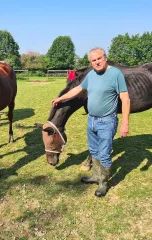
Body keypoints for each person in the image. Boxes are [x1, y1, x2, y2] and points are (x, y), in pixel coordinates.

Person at [52, 47, 130, 197]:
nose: (96, 62)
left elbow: (125, 99)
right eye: (93, 60)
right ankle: (95, 175)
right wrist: (61, 98)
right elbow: (78, 89)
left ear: (105, 58)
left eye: (99, 58)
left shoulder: (115, 74)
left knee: (105, 153)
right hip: (92, 120)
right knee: (93, 150)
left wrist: (125, 123)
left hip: (107, 121)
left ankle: (103, 182)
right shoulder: (91, 75)